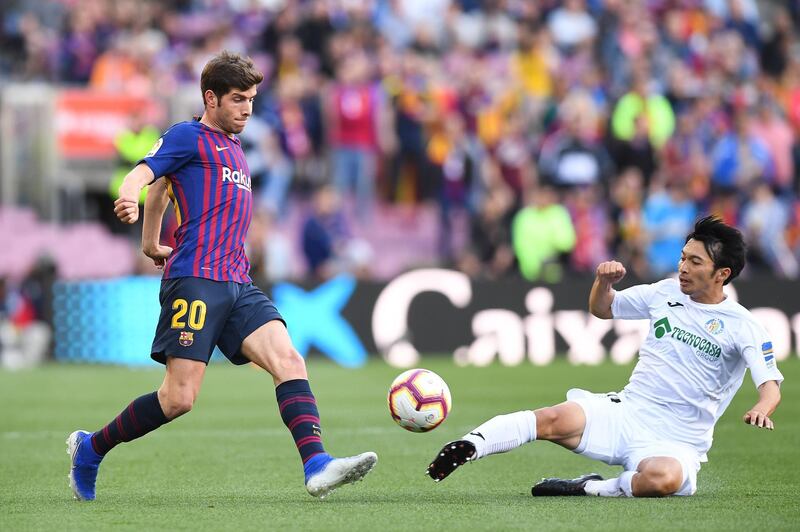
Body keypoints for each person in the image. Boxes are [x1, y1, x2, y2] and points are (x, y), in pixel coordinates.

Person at [66, 51, 377, 502]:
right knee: (178, 399)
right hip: (194, 280)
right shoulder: (187, 136)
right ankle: (90, 449)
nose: (247, 108)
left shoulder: (235, 147)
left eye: (251, 98)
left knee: (289, 360)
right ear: (210, 98)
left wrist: (152, 243)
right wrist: (131, 202)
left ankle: (317, 465)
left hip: (239, 282)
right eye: (237, 99)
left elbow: (164, 191)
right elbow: (145, 176)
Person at [427, 216, 782, 497]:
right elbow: (603, 309)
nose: (683, 267)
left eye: (695, 261)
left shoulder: (743, 326)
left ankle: (590, 487)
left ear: (722, 274)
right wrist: (604, 283)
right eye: (682, 257)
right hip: (627, 411)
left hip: (678, 441)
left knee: (663, 480)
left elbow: (770, 388)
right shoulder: (665, 292)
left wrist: (760, 409)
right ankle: (470, 445)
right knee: (551, 418)